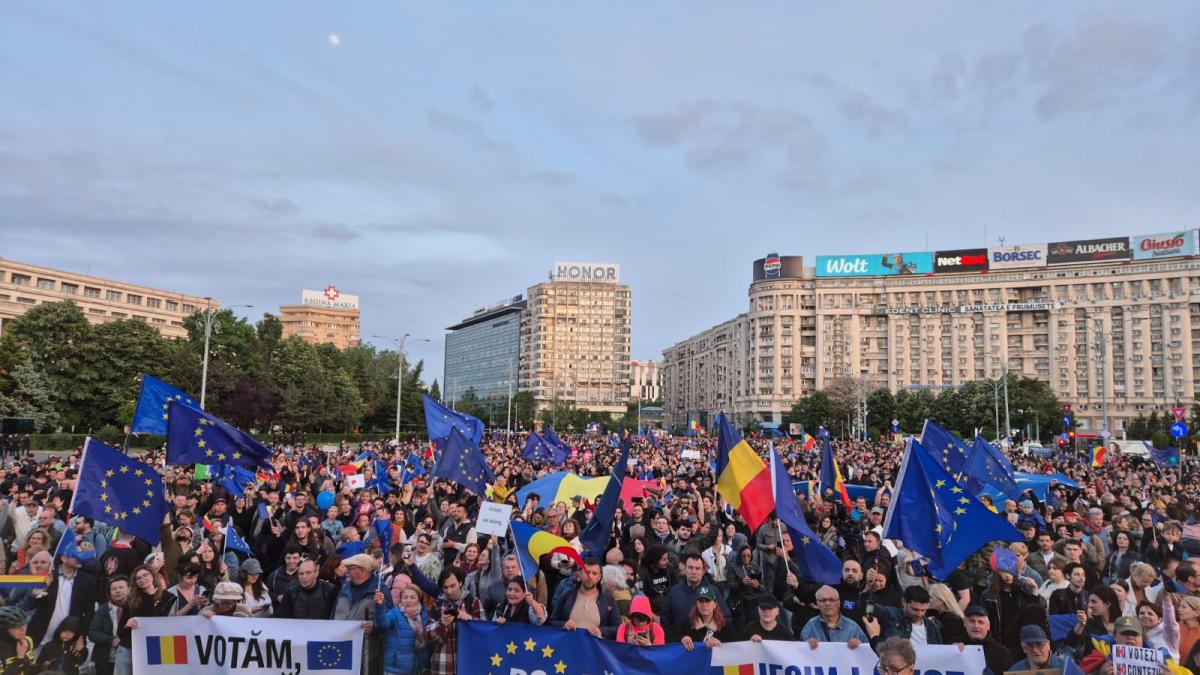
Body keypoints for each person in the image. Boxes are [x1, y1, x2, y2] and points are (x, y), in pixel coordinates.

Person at [424, 567, 482, 675]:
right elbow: (426, 636)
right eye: (445, 587)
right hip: (442, 665)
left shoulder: (473, 602)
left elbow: (485, 631)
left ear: (460, 582)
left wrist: (470, 619)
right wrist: (440, 623)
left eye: (452, 586)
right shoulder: (438, 604)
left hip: (468, 664)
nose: (449, 591)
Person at [661, 553, 731, 641]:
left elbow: (726, 618)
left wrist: (715, 638)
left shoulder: (713, 591)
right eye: (690, 568)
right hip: (680, 646)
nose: (694, 572)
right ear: (685, 569)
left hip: (709, 647)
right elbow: (665, 619)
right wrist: (673, 641)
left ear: (703, 571)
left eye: (697, 568)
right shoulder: (674, 592)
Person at [549, 558, 622, 639]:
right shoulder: (567, 595)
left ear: (599, 577)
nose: (590, 576)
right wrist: (563, 625)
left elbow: (618, 628)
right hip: (568, 646)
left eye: (594, 573)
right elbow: (552, 621)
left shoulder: (608, 599)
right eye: (587, 572)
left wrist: (601, 631)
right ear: (580, 574)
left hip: (594, 649)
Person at [334, 553, 381, 675]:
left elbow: (388, 620)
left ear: (362, 570)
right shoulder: (345, 588)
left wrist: (375, 626)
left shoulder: (379, 590)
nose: (346, 571)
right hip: (341, 650)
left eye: (350, 568)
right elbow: (333, 613)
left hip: (366, 653)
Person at [374, 585, 429, 675]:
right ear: (401, 599)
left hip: (417, 668)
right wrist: (380, 607)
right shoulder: (395, 613)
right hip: (395, 668)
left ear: (419, 599)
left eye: (412, 597)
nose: (408, 600)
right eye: (405, 597)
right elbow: (382, 624)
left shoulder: (423, 615)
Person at [865, 585, 943, 646]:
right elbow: (869, 606)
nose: (919, 614)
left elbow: (940, 652)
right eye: (915, 609)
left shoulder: (932, 626)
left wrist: (953, 648)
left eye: (923, 610)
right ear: (903, 602)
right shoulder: (890, 614)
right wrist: (867, 591)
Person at [800, 585, 868, 647]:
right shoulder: (810, 626)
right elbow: (799, 654)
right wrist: (805, 645)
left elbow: (868, 653)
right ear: (817, 604)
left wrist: (861, 645)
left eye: (831, 600)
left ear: (838, 603)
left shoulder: (853, 628)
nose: (827, 603)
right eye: (823, 600)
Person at [88, 575, 129, 675]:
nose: (117, 591)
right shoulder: (103, 609)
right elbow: (92, 633)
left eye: (121, 587)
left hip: (128, 659)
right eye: (114, 589)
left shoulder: (135, 607)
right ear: (110, 593)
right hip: (105, 659)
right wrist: (111, 640)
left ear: (129, 589)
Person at [679, 585, 737, 652]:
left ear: (714, 605)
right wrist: (683, 638)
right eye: (701, 601)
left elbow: (735, 649)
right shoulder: (687, 623)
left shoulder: (725, 625)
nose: (704, 604)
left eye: (708, 601)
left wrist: (720, 645)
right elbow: (675, 641)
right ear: (696, 604)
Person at [274, 559, 338, 619]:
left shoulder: (329, 590)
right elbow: (281, 616)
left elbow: (337, 616)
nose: (304, 577)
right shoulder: (291, 592)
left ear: (316, 573)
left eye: (308, 573)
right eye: (301, 574)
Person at [962, 605, 1013, 675]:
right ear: (964, 623)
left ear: (988, 626)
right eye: (972, 621)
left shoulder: (1001, 652)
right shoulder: (956, 647)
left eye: (980, 622)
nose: (976, 626)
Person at [0, 606, 35, 675]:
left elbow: (32, 666)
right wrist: (19, 658)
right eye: (16, 627)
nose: (23, 630)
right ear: (4, 630)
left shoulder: (28, 640)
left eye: (25, 625)